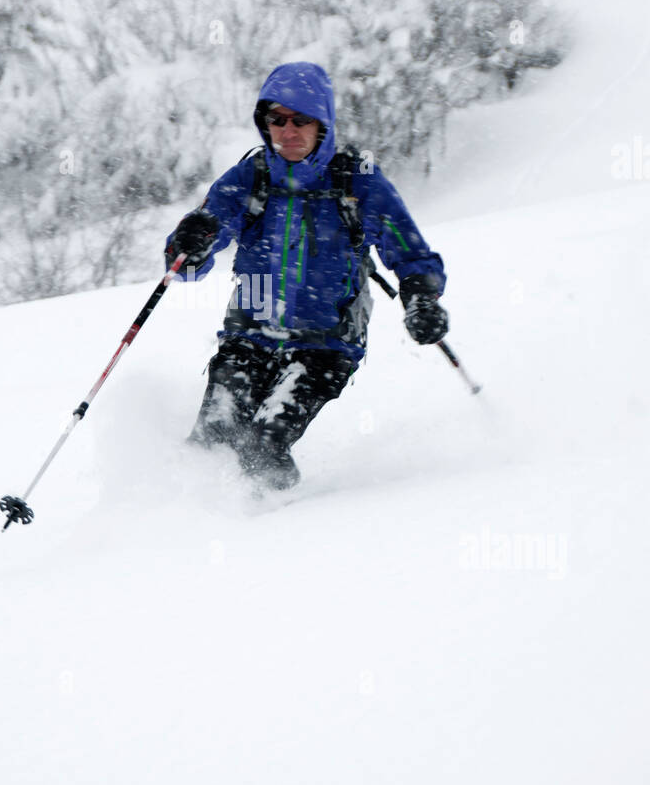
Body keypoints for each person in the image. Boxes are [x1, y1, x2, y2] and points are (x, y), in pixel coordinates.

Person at [165, 62, 448, 491]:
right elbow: (190, 257)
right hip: (250, 331)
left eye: (301, 120)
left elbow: (407, 249)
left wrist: (421, 298)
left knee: (262, 445)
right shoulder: (250, 177)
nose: (288, 131)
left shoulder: (358, 180)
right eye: (276, 119)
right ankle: (187, 523)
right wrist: (188, 245)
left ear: (324, 124)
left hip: (326, 340)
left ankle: (281, 527)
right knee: (214, 439)